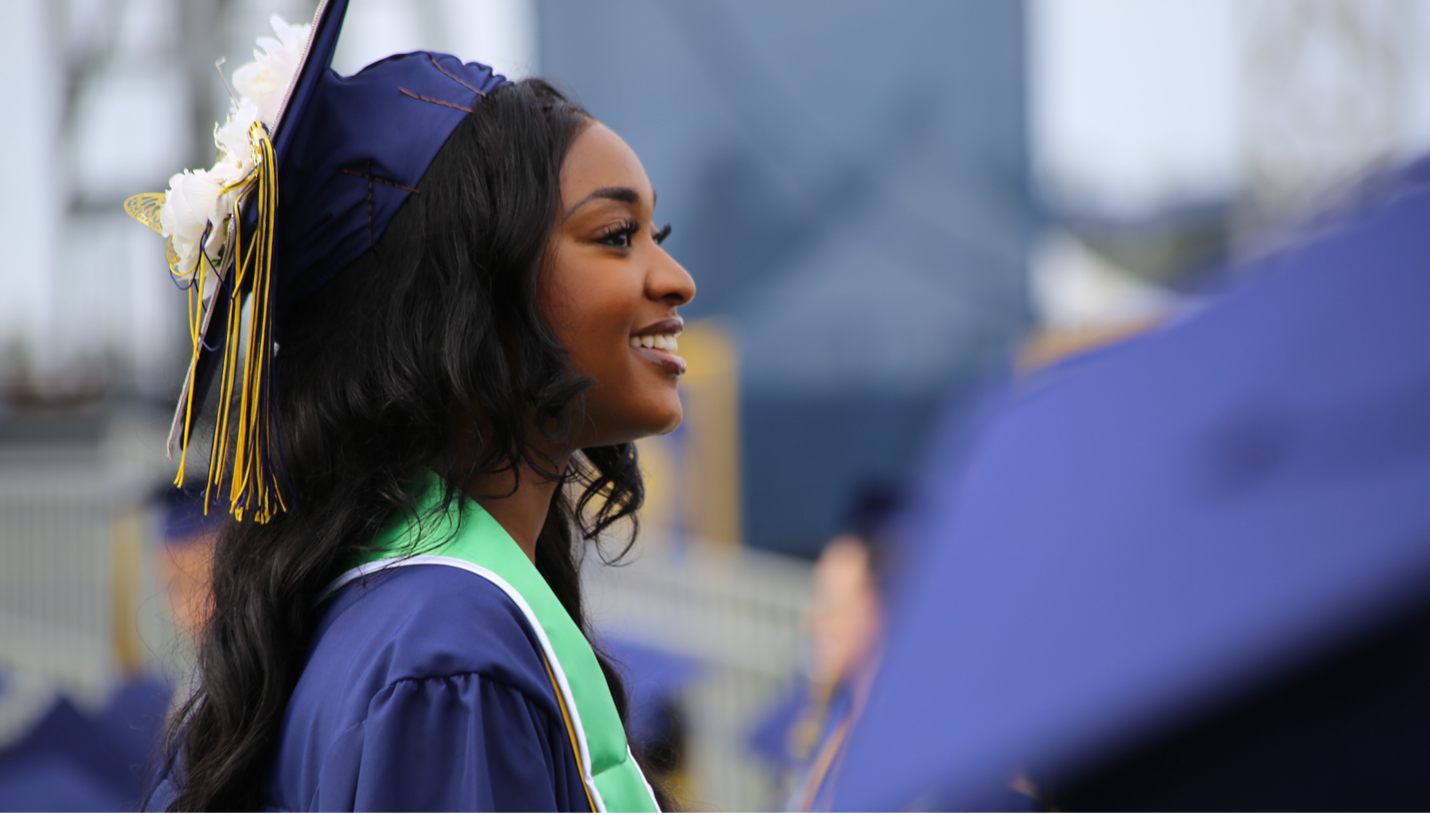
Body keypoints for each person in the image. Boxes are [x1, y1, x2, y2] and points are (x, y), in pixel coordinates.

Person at [132, 1, 694, 811]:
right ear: (468, 303)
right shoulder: (450, 655)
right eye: (616, 235)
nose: (676, 279)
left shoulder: (358, 621)